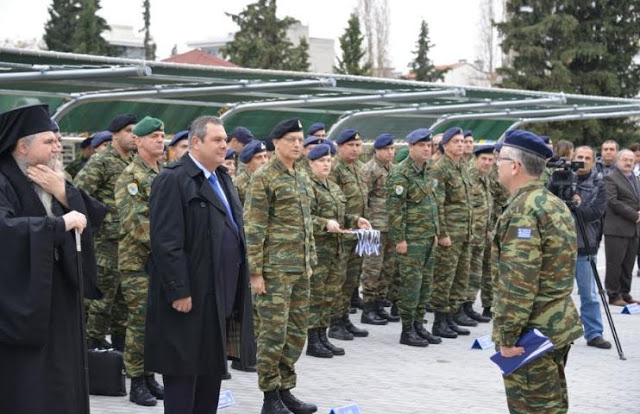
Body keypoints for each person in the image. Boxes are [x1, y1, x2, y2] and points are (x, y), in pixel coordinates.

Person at [0, 104, 105, 414]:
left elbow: (93, 215)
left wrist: (63, 192)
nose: (57, 147)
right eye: (49, 141)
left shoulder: (52, 175)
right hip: (23, 302)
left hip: (60, 297)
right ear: (22, 146)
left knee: (63, 378)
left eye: (57, 140)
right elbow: (4, 230)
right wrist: (57, 225)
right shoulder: (3, 179)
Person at [145, 115, 253, 414]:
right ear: (196, 142)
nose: (224, 145)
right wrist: (179, 290)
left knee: (210, 375)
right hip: (190, 298)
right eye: (217, 140)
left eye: (225, 139)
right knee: (183, 376)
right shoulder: (174, 178)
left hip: (219, 295)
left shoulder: (221, 177)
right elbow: (166, 242)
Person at [492, 129, 583, 413]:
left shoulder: (523, 210)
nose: (496, 164)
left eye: (500, 159)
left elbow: (519, 282)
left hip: (531, 334)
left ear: (516, 166)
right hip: (555, 325)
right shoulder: (553, 203)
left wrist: (507, 337)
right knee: (552, 406)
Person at [244, 118, 318, 414]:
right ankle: (269, 396)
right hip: (274, 271)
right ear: (276, 143)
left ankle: (285, 389)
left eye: (300, 140)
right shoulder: (264, 177)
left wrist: (309, 259)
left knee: (296, 333)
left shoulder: (300, 174)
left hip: (300, 269)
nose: (298, 145)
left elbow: (305, 222)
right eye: (291, 140)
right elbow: (254, 227)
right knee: (272, 335)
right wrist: (256, 272)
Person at [114, 116, 166, 406]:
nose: (161, 140)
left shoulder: (165, 172)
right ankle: (136, 381)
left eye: (162, 135)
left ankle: (149, 376)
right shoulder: (130, 177)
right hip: (138, 262)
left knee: (156, 322)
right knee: (140, 321)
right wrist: (170, 244)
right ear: (139, 141)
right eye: (154, 136)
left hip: (161, 262)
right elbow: (136, 223)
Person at [75, 113, 137, 351]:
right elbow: (80, 193)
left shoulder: (134, 161)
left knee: (124, 302)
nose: (134, 135)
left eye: (136, 131)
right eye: (129, 130)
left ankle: (120, 353)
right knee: (101, 300)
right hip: (106, 243)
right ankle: (91, 349)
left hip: (131, 243)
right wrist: (106, 218)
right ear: (115, 134)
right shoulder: (101, 161)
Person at [306, 143, 370, 358]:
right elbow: (304, 218)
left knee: (329, 295)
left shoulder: (333, 187)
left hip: (336, 252)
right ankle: (313, 340)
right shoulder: (308, 187)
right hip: (319, 252)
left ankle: (323, 336)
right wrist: (324, 223)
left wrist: (356, 219)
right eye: (321, 161)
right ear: (311, 163)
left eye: (328, 161)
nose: (326, 164)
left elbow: (342, 216)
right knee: (316, 296)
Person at [387, 128, 442, 347]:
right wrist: (400, 239)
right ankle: (407, 329)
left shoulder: (428, 171)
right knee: (411, 285)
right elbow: (395, 210)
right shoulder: (401, 173)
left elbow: (432, 204)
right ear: (411, 148)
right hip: (410, 240)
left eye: (429, 146)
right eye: (422, 146)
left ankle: (419, 325)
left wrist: (436, 231)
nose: (426, 149)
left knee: (425, 285)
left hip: (428, 237)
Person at [430, 127, 475, 338]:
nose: (460, 144)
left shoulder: (463, 166)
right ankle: (439, 321)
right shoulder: (440, 169)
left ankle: (451, 317)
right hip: (450, 234)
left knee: (460, 277)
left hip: (464, 232)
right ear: (445, 145)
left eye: (462, 141)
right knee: (445, 278)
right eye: (456, 141)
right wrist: (442, 234)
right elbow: (437, 205)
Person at [328, 129, 370, 340]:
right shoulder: (334, 168)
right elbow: (333, 204)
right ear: (340, 146)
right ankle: (334, 322)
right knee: (339, 279)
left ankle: (345, 318)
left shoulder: (360, 169)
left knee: (352, 279)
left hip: (358, 233)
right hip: (341, 233)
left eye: (358, 145)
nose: (355, 149)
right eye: (351, 146)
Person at [570, 146, 612, 349]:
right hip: (561, 246)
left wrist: (576, 204)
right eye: (579, 157)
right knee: (557, 293)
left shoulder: (600, 183)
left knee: (589, 294)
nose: (583, 161)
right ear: (572, 158)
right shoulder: (561, 178)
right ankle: (561, 332)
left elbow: (595, 212)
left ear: (594, 161)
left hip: (586, 244)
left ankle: (594, 333)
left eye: (587, 158)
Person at [360, 133, 399, 325]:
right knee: (371, 268)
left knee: (386, 267)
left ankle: (378, 304)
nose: (390, 152)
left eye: (392, 149)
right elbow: (363, 197)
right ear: (377, 150)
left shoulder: (393, 169)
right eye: (386, 149)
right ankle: (367, 308)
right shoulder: (369, 169)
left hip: (389, 225)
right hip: (372, 227)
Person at [603, 149, 640, 306]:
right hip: (616, 229)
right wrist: (635, 215)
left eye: (631, 160)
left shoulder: (635, 179)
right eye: (625, 159)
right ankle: (613, 295)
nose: (628, 162)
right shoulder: (610, 178)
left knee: (628, 264)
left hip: (633, 229)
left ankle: (625, 293)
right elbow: (613, 201)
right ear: (618, 160)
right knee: (615, 263)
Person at [463, 144, 494, 323]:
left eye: (490, 160)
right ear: (476, 159)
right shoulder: (469, 177)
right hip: (470, 233)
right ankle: (460, 307)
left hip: (482, 234)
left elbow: (487, 206)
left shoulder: (486, 178)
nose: (487, 163)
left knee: (476, 273)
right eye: (483, 159)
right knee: (466, 272)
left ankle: (468, 305)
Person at [233, 140, 268, 205]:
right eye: (258, 157)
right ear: (247, 163)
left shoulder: (272, 178)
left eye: (265, 156)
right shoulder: (237, 185)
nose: (264, 161)